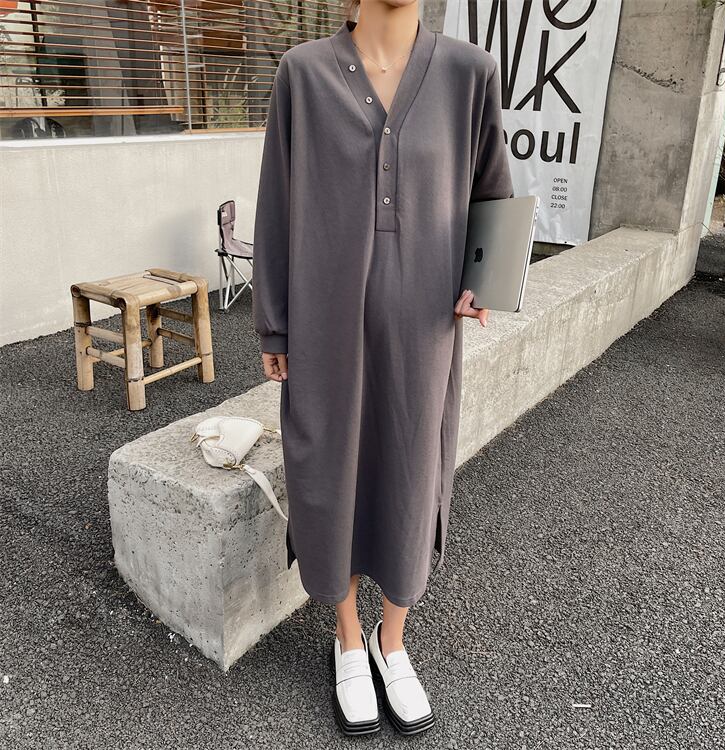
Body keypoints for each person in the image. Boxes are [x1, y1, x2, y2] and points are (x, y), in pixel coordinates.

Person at [252, 0, 514, 736]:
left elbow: (493, 191)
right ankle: (345, 637)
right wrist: (275, 320)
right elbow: (277, 202)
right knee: (328, 469)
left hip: (423, 332)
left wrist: (486, 281)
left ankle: (389, 639)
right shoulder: (303, 73)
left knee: (411, 471)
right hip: (324, 327)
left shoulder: (469, 73)